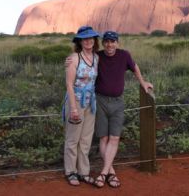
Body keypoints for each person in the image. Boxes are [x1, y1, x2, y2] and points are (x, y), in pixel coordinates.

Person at [93, 31, 153, 188]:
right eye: (106, 41)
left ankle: (103, 173)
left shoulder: (124, 55)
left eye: (112, 41)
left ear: (117, 43)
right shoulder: (97, 56)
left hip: (118, 102)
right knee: (103, 138)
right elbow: (82, 60)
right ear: (103, 43)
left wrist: (143, 82)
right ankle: (110, 173)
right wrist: (71, 61)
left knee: (114, 138)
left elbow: (135, 67)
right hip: (100, 100)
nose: (109, 45)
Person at [63, 26, 100, 186]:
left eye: (91, 38)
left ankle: (83, 172)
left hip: (91, 102)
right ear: (80, 41)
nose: (88, 41)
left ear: (94, 40)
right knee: (73, 139)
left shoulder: (97, 58)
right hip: (76, 101)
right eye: (84, 38)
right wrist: (73, 108)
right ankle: (71, 172)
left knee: (86, 139)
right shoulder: (74, 58)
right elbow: (69, 85)